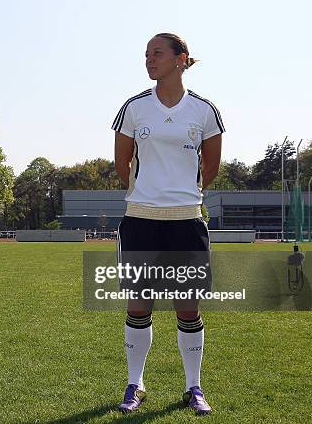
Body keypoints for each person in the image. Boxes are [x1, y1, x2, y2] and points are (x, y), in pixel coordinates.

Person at [112, 33, 224, 415]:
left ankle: (193, 387)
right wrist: (150, 193)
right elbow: (121, 163)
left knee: (187, 307)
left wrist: (181, 194)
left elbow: (211, 167)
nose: (149, 59)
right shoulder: (134, 108)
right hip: (141, 220)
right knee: (139, 305)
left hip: (186, 221)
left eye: (157, 53)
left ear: (181, 59)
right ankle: (135, 384)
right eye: (146, 54)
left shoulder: (205, 111)